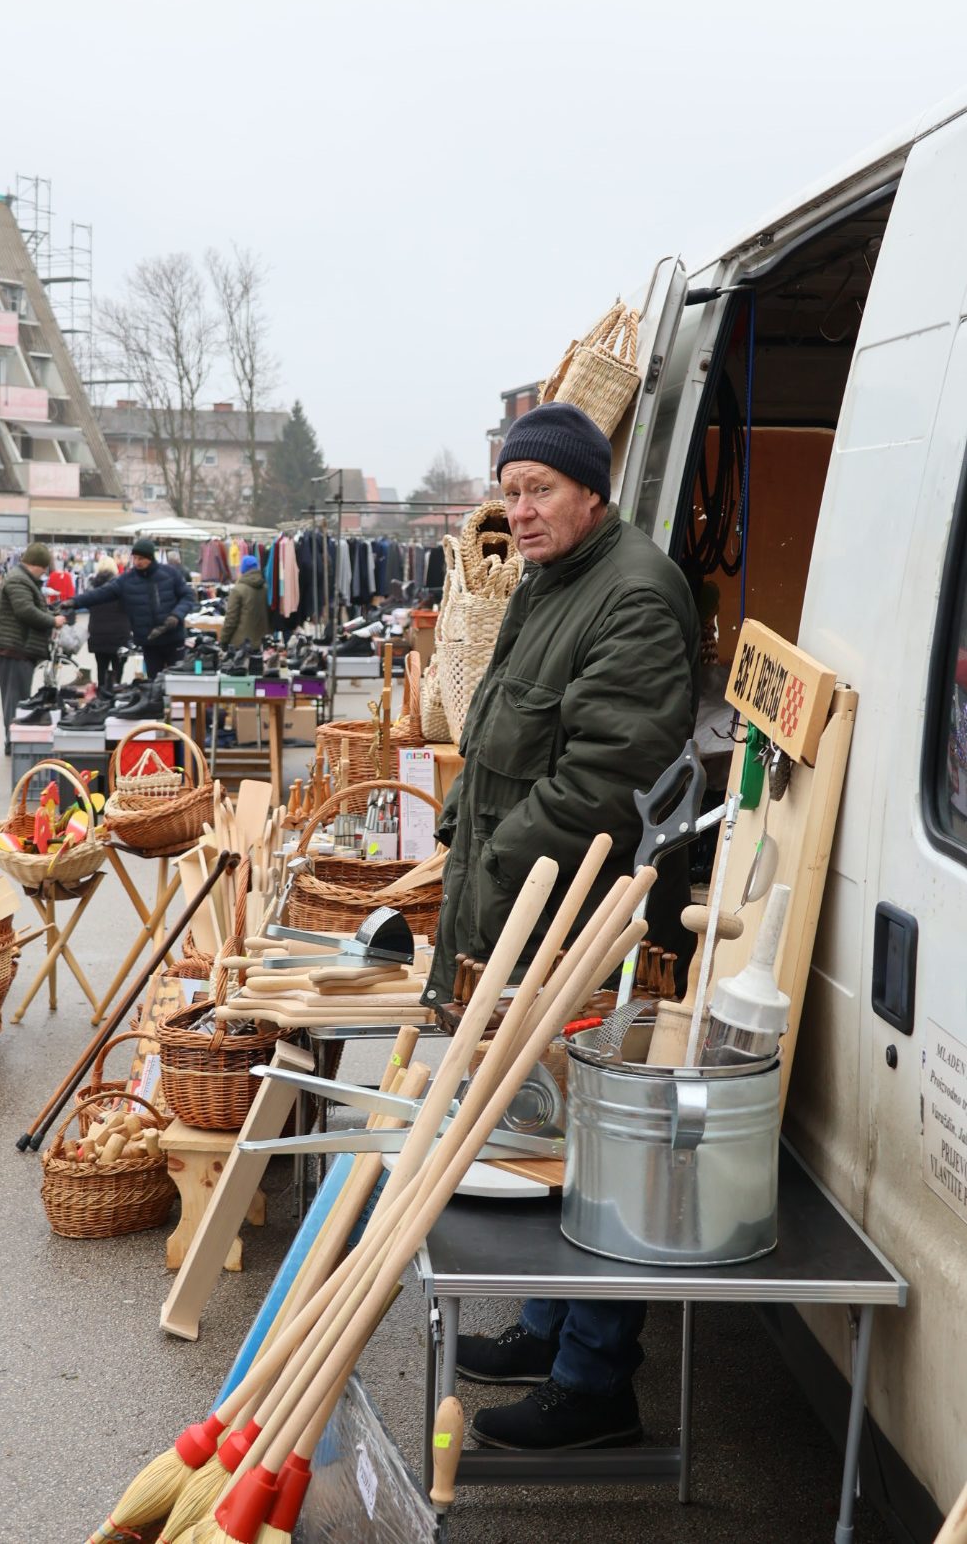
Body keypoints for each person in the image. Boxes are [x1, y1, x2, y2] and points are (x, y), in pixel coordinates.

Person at [423, 402, 701, 1455]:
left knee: (597, 1140)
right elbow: (502, 727)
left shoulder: (634, 593)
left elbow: (606, 778)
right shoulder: (551, 580)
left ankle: (595, 1382)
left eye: (540, 489)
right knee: (549, 1129)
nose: (521, 510)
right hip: (526, 898)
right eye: (510, 491)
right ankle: (548, 1329)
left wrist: (496, 858)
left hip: (579, 913)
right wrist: (459, 825)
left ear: (592, 490)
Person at [69, 537, 192, 679]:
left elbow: (188, 596)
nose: (137, 562)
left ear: (150, 558)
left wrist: (176, 615)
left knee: (177, 680)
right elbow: (101, 594)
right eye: (135, 558)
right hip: (149, 641)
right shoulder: (127, 580)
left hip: (173, 638)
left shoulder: (170, 574)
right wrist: (74, 602)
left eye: (141, 558)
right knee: (154, 682)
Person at [0, 542, 66, 753]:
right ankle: (13, 741)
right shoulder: (19, 580)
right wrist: (53, 620)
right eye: (44, 569)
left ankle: (14, 739)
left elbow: (29, 608)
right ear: (37, 565)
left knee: (17, 696)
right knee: (15, 698)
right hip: (15, 648)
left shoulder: (22, 578)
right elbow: (25, 611)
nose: (44, 573)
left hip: (17, 647)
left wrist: (49, 614)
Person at [85, 555, 132, 688]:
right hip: (120, 634)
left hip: (98, 633)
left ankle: (102, 694)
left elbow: (87, 605)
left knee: (101, 669)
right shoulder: (122, 586)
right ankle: (115, 693)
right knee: (118, 671)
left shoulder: (91, 586)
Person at [219, 554, 269, 653]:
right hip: (262, 644)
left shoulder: (238, 590)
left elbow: (231, 619)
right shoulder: (265, 588)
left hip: (241, 644)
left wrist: (223, 641)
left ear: (243, 569)